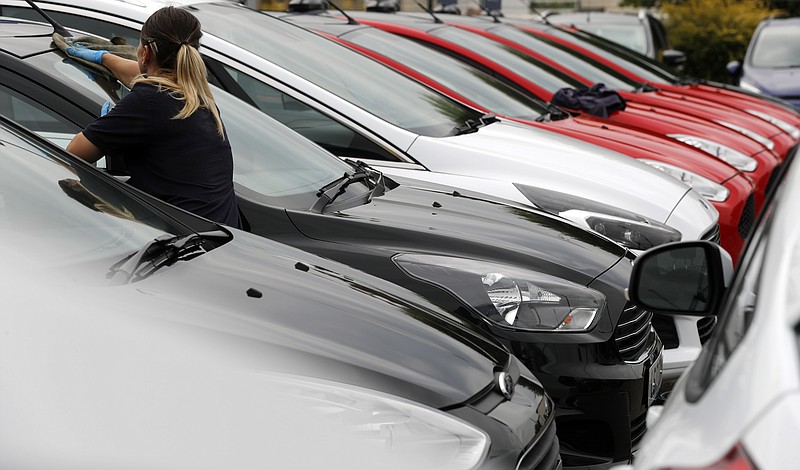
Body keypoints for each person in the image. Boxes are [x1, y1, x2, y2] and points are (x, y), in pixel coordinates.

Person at [65, 6, 242, 229]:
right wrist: (105, 59)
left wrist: (107, 130)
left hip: (186, 242)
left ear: (146, 52)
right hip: (221, 234)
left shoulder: (148, 102)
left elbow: (73, 154)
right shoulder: (195, 93)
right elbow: (140, 76)